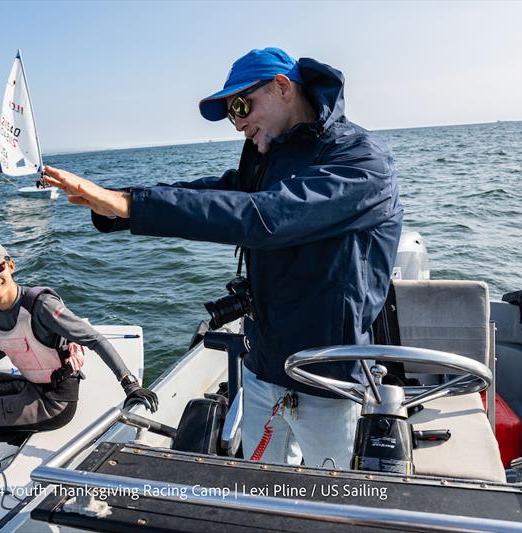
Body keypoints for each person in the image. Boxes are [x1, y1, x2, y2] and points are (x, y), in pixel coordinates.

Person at [41, 47, 403, 469]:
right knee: (264, 488)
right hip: (264, 364)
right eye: (231, 114)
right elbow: (216, 193)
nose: (237, 123)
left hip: (327, 377)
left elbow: (266, 216)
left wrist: (130, 205)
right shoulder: (267, 159)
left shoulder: (361, 160)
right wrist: (116, 208)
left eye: (240, 105)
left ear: (283, 87)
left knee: (337, 499)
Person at [0, 239, 158, 483]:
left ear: (10, 266)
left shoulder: (41, 305)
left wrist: (130, 385)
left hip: (55, 402)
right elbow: (6, 342)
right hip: (29, 386)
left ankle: (14, 435)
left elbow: (94, 339)